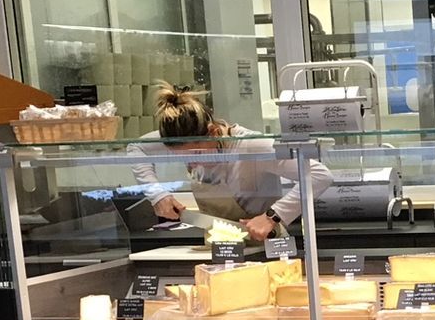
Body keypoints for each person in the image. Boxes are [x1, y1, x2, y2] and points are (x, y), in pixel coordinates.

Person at [132, 83, 332, 242]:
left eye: (196, 153)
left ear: (213, 132)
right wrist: (157, 195)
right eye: (181, 157)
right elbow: (136, 148)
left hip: (265, 248)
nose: (191, 163)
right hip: (219, 250)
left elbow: (319, 175)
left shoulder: (251, 146)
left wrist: (273, 216)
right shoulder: (184, 139)